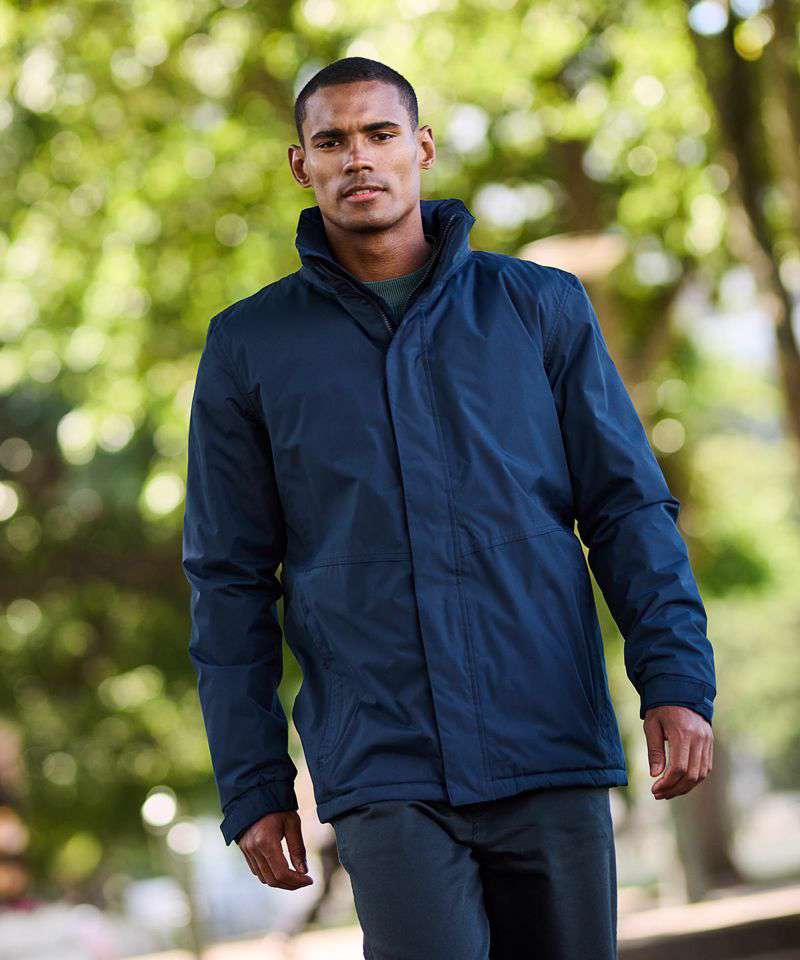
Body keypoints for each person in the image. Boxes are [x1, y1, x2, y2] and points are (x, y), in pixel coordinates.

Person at [181, 56, 716, 959]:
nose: (359, 157)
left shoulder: (537, 306)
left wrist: (675, 679)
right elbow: (228, 581)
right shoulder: (250, 345)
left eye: (380, 133)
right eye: (332, 141)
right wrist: (254, 782)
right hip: (383, 764)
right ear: (301, 165)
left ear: (422, 148)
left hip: (548, 736)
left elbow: (626, 508)